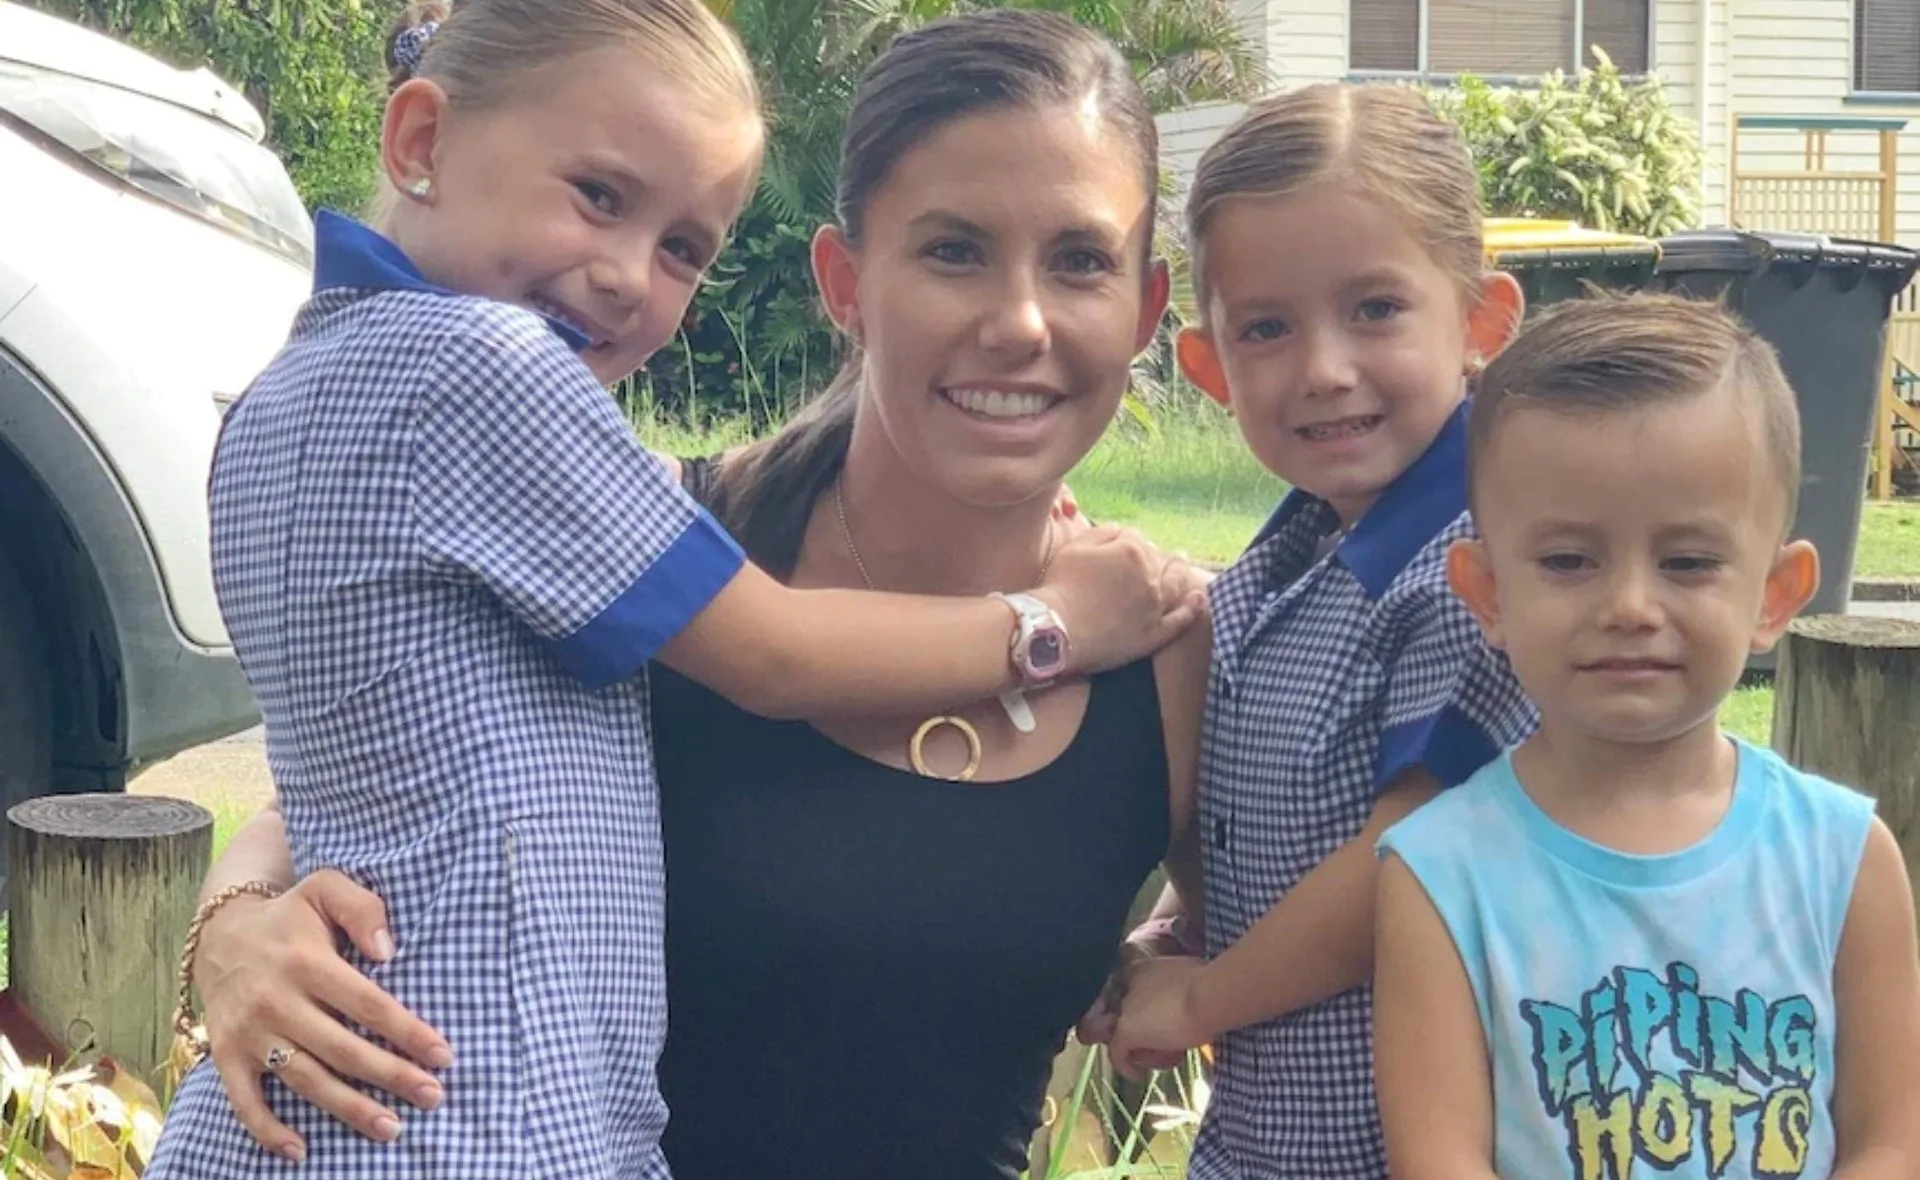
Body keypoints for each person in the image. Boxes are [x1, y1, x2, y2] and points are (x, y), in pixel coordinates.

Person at [143, 3, 1201, 1177]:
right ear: (844, 284)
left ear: (1149, 311)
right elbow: (364, 777)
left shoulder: (1175, 646)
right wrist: (232, 931)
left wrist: (1193, 974)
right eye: (953, 249)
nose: (1019, 320)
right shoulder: (665, 535)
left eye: (1081, 260)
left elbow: (1361, 923)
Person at [1089, 83, 1542, 1177]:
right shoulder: (1279, 564)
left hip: (1412, 1143)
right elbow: (1260, 829)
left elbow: (1405, 866)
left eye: (1375, 309)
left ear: (1481, 322)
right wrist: (1186, 927)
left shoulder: (1484, 572)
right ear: (1211, 368)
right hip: (1267, 1137)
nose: (1324, 367)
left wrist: (1200, 997)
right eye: (1268, 328)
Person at [1372, 293, 1920, 1179]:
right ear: (1487, 593)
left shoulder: (1846, 857)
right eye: (1568, 560)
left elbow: (1893, 1141)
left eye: (1689, 562)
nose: (1630, 606)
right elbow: (1439, 1161)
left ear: (1775, 595)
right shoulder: (1438, 875)